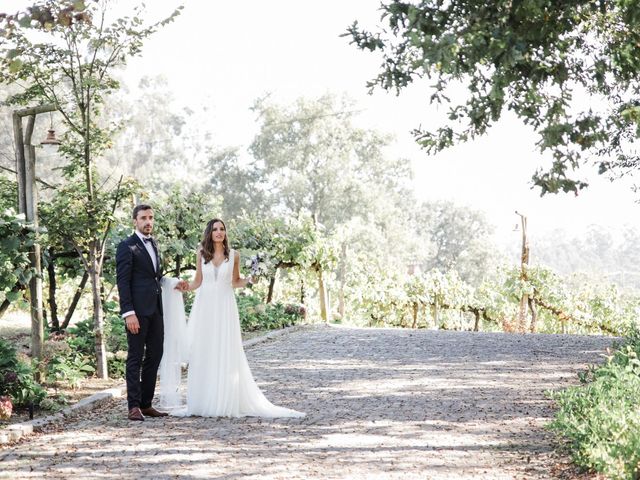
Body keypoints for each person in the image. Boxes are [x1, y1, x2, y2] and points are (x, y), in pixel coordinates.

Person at [168, 218, 304, 418]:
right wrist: (184, 286)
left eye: (222, 229)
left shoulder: (234, 255)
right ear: (209, 232)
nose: (219, 232)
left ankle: (223, 399)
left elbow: (235, 281)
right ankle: (204, 400)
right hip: (205, 307)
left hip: (224, 307)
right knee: (205, 349)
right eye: (215, 229)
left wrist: (251, 280)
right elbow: (198, 281)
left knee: (224, 348)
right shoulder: (201, 254)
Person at [116, 204, 168, 421]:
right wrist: (128, 313)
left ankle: (146, 403)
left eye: (151, 217)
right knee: (135, 357)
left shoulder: (153, 244)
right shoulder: (127, 246)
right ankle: (133, 406)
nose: (148, 222)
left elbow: (154, 276)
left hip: (155, 309)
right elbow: (123, 281)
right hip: (136, 311)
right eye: (144, 218)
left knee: (155, 355)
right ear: (134, 221)